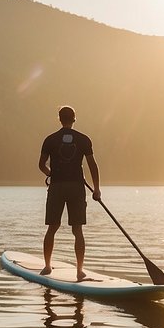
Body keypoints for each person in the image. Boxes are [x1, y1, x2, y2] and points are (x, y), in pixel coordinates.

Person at [38, 105, 101, 280]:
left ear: (59, 119)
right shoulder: (83, 139)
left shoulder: (50, 140)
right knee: (77, 229)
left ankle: (47, 266)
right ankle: (80, 271)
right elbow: (92, 166)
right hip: (76, 188)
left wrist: (51, 173)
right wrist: (96, 189)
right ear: (74, 119)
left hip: (57, 187)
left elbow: (41, 165)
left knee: (53, 227)